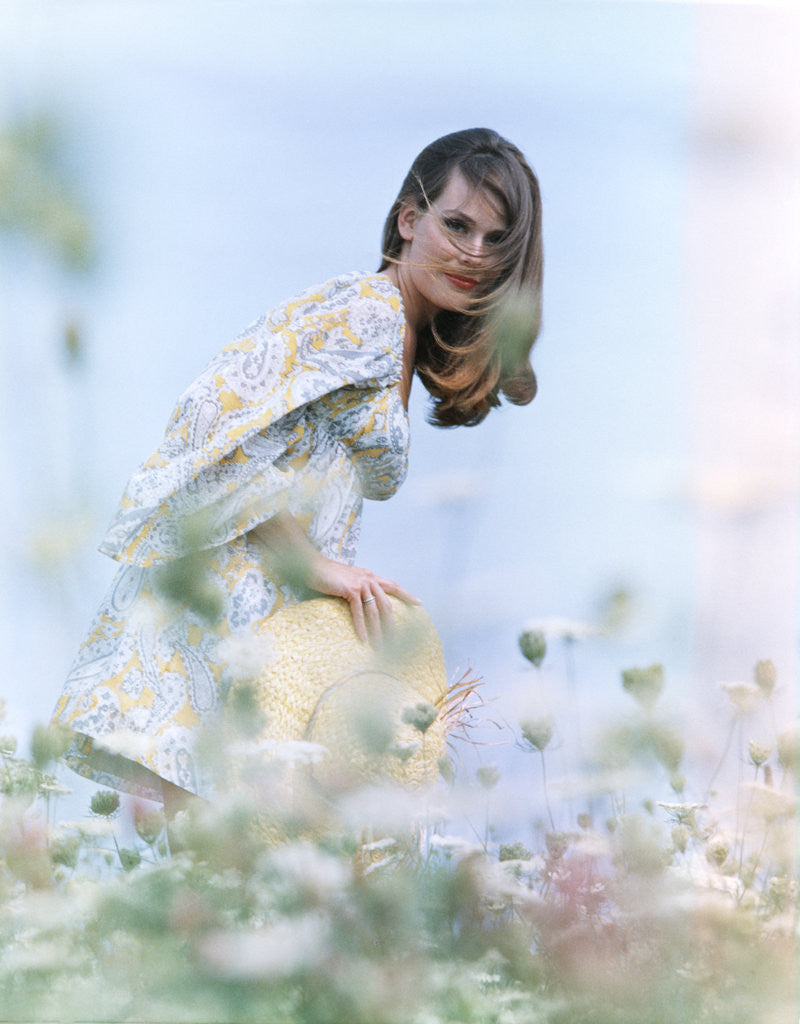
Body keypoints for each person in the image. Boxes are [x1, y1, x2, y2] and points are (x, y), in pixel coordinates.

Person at [51, 128, 543, 816]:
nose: (474, 253)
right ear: (409, 220)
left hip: (256, 612)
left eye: (496, 242)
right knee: (218, 869)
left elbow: (284, 444)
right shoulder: (369, 314)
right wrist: (315, 565)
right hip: (223, 603)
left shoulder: (396, 328)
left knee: (224, 875)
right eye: (457, 225)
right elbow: (213, 418)